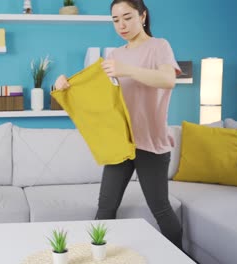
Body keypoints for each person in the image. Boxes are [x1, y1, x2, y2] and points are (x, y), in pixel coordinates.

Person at [54, 0, 183, 249]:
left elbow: (168, 80)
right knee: (105, 208)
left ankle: (182, 257)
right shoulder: (114, 55)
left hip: (151, 143)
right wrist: (64, 84)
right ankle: (95, 257)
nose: (121, 25)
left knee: (161, 209)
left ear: (142, 16)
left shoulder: (159, 46)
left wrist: (127, 70)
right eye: (115, 20)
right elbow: (99, 94)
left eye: (127, 17)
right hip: (120, 141)